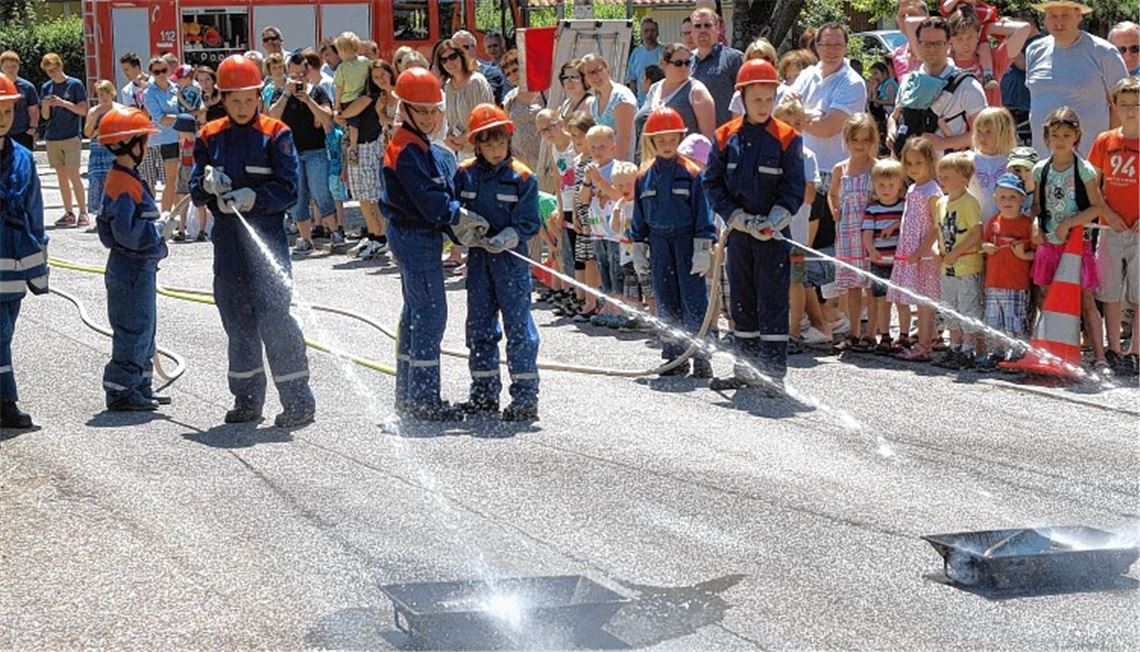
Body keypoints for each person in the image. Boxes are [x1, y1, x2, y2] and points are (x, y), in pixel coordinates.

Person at [189, 54, 316, 428]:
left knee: (276, 321)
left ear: (259, 96)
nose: (242, 107)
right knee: (238, 325)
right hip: (228, 249)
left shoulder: (277, 134)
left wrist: (255, 198)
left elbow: (289, 189)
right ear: (223, 100)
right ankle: (246, 401)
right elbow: (195, 188)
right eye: (235, 100)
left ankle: (298, 402)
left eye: (249, 99)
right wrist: (207, 187)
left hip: (267, 244)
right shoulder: (209, 136)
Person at [381, 68, 489, 421]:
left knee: (414, 313)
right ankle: (424, 400)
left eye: (433, 111)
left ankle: (409, 395)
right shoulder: (407, 148)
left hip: (411, 233)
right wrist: (459, 216)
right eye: (421, 111)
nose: (429, 118)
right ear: (404, 109)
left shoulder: (413, 143)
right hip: (415, 235)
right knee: (429, 315)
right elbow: (429, 199)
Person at [705, 60, 805, 394]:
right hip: (739, 234)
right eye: (757, 100)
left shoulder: (788, 137)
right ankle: (745, 369)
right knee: (743, 302)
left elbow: (793, 187)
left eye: (769, 99)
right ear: (743, 98)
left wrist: (776, 218)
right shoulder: (724, 137)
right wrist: (736, 218)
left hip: (773, 235)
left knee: (773, 301)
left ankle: (773, 374)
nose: (764, 106)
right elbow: (713, 183)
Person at [453, 104, 541, 420]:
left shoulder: (522, 176)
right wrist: (463, 229)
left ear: (508, 140)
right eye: (488, 143)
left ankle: (525, 399)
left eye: (500, 142)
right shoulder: (464, 174)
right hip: (479, 261)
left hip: (511, 262)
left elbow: (529, 222)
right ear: (476, 144)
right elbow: (453, 209)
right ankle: (483, 395)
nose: (495, 149)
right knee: (479, 328)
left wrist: (507, 237)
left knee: (519, 329)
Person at [629, 106, 715, 377]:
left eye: (671, 139)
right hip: (658, 243)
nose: (667, 144)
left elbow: (704, 211)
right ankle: (673, 356)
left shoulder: (692, 173)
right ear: (651, 141)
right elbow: (639, 215)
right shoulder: (643, 176)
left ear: (679, 138)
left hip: (686, 242)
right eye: (661, 140)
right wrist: (638, 245)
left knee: (694, 301)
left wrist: (703, 246)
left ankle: (701, 357)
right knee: (665, 299)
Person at [94, 107, 170, 411]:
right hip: (131, 267)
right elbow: (125, 232)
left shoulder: (127, 177)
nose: (147, 146)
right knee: (133, 328)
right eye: (143, 140)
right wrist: (156, 232)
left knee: (145, 329)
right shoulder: (123, 183)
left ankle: (141, 385)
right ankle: (121, 391)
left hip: (139, 268)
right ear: (131, 144)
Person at [1030, 106, 1107, 373]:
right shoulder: (1041, 169)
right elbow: (1037, 207)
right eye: (1055, 134)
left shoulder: (1083, 169)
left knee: (1086, 299)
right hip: (1050, 243)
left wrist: (1069, 225)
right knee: (1046, 295)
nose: (1060, 140)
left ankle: (1100, 356)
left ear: (1076, 136)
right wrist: (1036, 225)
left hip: (1077, 245)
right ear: (1047, 136)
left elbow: (1097, 206)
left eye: (1066, 134)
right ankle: (1054, 349)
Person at [0, 76, 49, 429]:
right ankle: (6, 401)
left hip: (13, 266)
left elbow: (35, 213)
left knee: (6, 334)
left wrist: (38, 267)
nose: (3, 117)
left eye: (7, 110)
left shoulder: (23, 158)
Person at [1025, 1, 1127, 156]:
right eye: (1052, 15)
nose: (1058, 22)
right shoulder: (1034, 50)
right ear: (1045, 19)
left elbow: (1121, 106)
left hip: (1090, 163)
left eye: (1065, 15)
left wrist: (1109, 150)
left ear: (1079, 16)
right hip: (1043, 163)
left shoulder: (1104, 52)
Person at [1090, 77, 1140, 376]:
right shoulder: (1104, 140)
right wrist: (1106, 212)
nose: (1131, 111)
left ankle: (1136, 349)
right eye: (1125, 105)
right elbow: (1093, 184)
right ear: (1116, 107)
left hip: (1138, 231)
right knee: (1109, 291)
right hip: (1110, 229)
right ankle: (1114, 348)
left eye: (1136, 105)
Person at [887, 16, 988, 157]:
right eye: (926, 43)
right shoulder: (910, 80)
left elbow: (985, 133)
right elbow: (894, 116)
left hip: (947, 172)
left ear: (948, 44)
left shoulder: (967, 84)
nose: (932, 49)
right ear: (918, 44)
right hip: (906, 168)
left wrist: (944, 143)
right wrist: (891, 131)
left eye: (938, 43)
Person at [268, 52, 337, 255]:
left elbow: (327, 118)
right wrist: (287, 94)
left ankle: (334, 232)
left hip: (315, 150)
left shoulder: (318, 92)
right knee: (297, 196)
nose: (297, 79)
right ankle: (305, 239)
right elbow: (272, 115)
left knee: (321, 192)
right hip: (291, 152)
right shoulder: (280, 92)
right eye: (294, 74)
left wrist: (307, 100)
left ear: (308, 74)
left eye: (301, 74)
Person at [828, 113, 877, 352]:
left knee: (872, 285)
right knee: (853, 286)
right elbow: (832, 193)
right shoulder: (841, 169)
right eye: (855, 140)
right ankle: (854, 331)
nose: (860, 145)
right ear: (846, 141)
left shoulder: (876, 168)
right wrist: (834, 209)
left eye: (865, 140)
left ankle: (873, 332)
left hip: (870, 234)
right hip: (847, 232)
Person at [892, 137, 944, 362]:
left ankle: (924, 346)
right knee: (918, 300)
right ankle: (927, 338)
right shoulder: (913, 187)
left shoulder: (932, 189)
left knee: (925, 302)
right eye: (909, 163)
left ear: (930, 161)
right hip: (911, 252)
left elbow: (936, 225)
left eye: (918, 163)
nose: (913, 168)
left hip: (924, 256)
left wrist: (921, 251)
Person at [977, 172, 1036, 370]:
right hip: (993, 283)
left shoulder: (1026, 224)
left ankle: (1018, 353)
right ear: (995, 199)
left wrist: (1023, 255)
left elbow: (1036, 254)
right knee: (993, 320)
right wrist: (985, 247)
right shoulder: (994, 221)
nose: (1007, 201)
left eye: (1012, 197)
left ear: (1022, 199)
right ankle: (996, 352)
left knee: (1014, 321)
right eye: (1002, 197)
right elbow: (984, 243)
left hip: (1016, 284)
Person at [931, 152, 984, 369]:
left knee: (967, 307)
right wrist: (936, 249)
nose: (942, 180)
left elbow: (976, 232)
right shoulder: (941, 203)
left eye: (947, 176)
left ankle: (967, 350)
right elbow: (939, 231)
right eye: (940, 176)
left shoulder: (969, 203)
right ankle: (954, 347)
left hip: (966, 266)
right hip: (947, 268)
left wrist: (957, 252)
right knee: (949, 308)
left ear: (963, 178)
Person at [341, 60, 397, 261]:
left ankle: (381, 236)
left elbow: (345, 115)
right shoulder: (364, 96)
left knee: (373, 195)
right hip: (359, 147)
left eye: (383, 74)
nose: (380, 79)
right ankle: (375, 235)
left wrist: (339, 113)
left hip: (373, 146)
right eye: (376, 77)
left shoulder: (371, 97)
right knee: (362, 196)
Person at [579, 125, 626, 326]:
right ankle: (608, 308)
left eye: (602, 146)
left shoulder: (618, 168)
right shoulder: (590, 169)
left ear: (613, 148)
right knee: (603, 271)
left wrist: (599, 179)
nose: (597, 151)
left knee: (617, 273)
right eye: (593, 147)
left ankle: (620, 311)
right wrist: (589, 182)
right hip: (598, 230)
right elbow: (583, 199)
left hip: (614, 232)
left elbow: (619, 195)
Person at [861, 159, 907, 354]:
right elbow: (867, 234)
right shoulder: (873, 209)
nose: (886, 189)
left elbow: (908, 225)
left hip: (900, 263)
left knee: (902, 300)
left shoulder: (905, 207)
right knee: (882, 301)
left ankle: (904, 336)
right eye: (881, 185)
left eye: (891, 185)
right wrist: (871, 251)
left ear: (900, 185)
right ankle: (885, 335)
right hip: (880, 262)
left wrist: (895, 225)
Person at [637, 42, 717, 151]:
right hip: (651, 160)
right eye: (678, 63)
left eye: (687, 63)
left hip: (684, 162)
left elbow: (708, 138)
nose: (684, 67)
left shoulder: (696, 90)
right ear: (663, 64)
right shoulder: (654, 88)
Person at [39, 53, 88, 228]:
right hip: (53, 136)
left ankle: (83, 212)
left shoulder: (74, 84)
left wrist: (63, 103)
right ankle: (69, 212)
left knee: (74, 175)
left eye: (54, 69)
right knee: (61, 177)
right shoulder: (46, 87)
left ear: (61, 65)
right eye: (49, 71)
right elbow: (45, 117)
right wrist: (45, 105)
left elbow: (83, 110)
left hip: (71, 136)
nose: (53, 73)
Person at [437, 38, 493, 159]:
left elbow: (485, 120)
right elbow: (451, 122)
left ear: (461, 56)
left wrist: (461, 139)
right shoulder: (448, 86)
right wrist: (450, 139)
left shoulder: (476, 81)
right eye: (444, 60)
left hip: (483, 152)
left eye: (453, 57)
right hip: (462, 153)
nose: (449, 62)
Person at [689, 6, 743, 127]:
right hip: (694, 140)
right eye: (697, 26)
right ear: (692, 31)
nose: (702, 30)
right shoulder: (685, 64)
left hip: (725, 138)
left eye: (707, 25)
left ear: (717, 28)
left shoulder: (734, 59)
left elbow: (745, 100)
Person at [141, 56, 182, 213]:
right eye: (157, 72)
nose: (161, 74)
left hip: (177, 138)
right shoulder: (149, 93)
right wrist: (184, 118)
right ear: (151, 73)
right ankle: (165, 216)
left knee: (175, 182)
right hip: (160, 140)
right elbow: (160, 119)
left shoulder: (175, 88)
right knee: (168, 182)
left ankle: (179, 219)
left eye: (164, 70)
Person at [580, 54, 637, 162]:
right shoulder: (594, 101)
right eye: (589, 73)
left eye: (598, 70)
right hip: (601, 166)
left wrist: (612, 170)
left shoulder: (621, 97)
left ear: (607, 69)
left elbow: (624, 139)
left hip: (620, 168)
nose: (595, 76)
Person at [967, 107, 1018, 225]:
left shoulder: (1012, 160)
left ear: (1004, 133)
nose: (982, 136)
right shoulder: (969, 160)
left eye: (988, 132)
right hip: (977, 226)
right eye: (979, 131)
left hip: (1006, 226)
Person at [499, 50, 545, 173]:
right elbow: (506, 131)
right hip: (519, 161)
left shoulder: (544, 92)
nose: (512, 75)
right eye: (508, 74)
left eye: (515, 70)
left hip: (544, 159)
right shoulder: (509, 98)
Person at [333, 32, 371, 163]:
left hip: (347, 100)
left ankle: (352, 148)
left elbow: (339, 87)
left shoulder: (342, 68)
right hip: (362, 97)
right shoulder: (365, 62)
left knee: (351, 125)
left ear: (343, 50)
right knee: (359, 123)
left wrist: (337, 105)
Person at [84, 81, 119, 222]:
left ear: (112, 94)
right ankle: (100, 214)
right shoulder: (93, 111)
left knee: (114, 181)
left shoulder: (119, 110)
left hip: (114, 149)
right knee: (97, 181)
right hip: (97, 149)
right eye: (100, 94)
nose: (103, 97)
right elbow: (87, 133)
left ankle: (116, 212)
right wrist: (96, 117)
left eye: (106, 93)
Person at [0, 51, 38, 152]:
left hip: (22, 133)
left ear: (18, 67)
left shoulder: (28, 87)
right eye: (7, 66)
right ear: (1, 67)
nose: (10, 69)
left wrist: (32, 129)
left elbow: (33, 110)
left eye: (14, 66)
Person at [626, 18, 663, 104]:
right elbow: (632, 79)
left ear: (657, 33)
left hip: (660, 102)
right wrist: (634, 100)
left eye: (653, 30)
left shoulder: (664, 52)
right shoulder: (636, 53)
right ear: (641, 33)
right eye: (646, 31)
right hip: (641, 104)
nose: (649, 34)